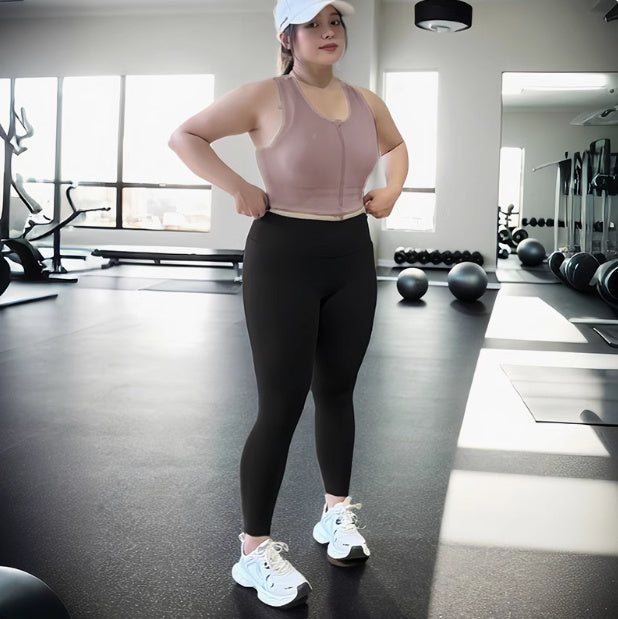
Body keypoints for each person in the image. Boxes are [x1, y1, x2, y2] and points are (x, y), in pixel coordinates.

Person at [169, 0, 408, 609]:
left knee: (338, 391)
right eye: (314, 23)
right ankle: (253, 552)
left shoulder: (367, 101)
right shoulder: (264, 96)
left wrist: (393, 189)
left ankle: (335, 514)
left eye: (336, 22)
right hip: (283, 254)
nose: (329, 32)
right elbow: (184, 136)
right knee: (280, 406)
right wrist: (238, 186)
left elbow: (396, 147)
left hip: (351, 252)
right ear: (288, 35)